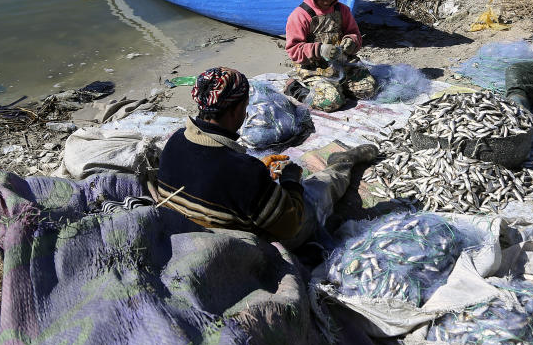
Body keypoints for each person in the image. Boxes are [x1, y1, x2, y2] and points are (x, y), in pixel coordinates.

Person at [150, 66, 378, 247]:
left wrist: (258, 171)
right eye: (245, 106)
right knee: (316, 190)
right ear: (234, 110)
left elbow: (208, 175)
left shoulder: (176, 139)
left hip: (185, 230)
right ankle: (343, 164)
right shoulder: (242, 170)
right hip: (234, 244)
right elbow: (290, 225)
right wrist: (290, 181)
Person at [285, 0, 376, 112]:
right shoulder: (300, 15)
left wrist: (351, 41)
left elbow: (355, 35)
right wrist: (320, 50)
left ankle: (339, 86)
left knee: (368, 90)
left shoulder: (343, 10)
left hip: (342, 64)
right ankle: (296, 89)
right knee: (332, 101)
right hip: (314, 69)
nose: (327, 2)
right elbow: (293, 50)